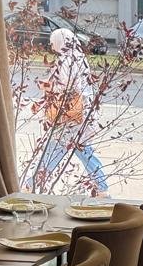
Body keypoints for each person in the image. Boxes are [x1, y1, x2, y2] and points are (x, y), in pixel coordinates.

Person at [37, 27, 109, 192]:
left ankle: (32, 183)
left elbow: (67, 86)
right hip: (81, 113)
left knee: (55, 150)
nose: (51, 46)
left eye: (53, 42)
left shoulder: (65, 60)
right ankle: (102, 188)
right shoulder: (79, 56)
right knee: (82, 151)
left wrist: (48, 86)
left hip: (69, 114)